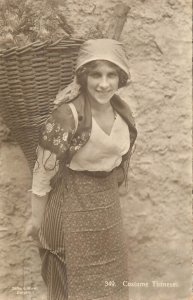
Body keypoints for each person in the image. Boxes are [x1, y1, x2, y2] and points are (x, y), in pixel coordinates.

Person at [27, 39, 137, 300]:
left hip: (107, 213)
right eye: (95, 74)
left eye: (111, 75)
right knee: (68, 287)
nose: (103, 83)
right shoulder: (67, 116)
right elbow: (43, 173)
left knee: (110, 284)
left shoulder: (124, 114)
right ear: (83, 77)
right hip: (69, 206)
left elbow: (120, 164)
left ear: (120, 78)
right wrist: (36, 219)